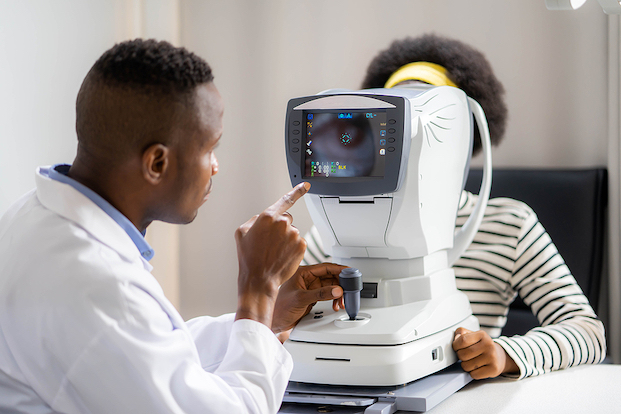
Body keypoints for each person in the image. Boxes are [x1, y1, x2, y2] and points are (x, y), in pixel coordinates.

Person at [0, 39, 345, 413]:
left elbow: (148, 353)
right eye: (210, 149)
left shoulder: (32, 217)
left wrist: (267, 316)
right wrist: (257, 290)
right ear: (157, 164)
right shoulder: (96, 285)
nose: (215, 167)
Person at [303, 33, 607, 380]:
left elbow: (587, 332)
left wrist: (507, 353)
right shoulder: (330, 232)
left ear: (462, 136)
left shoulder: (510, 225)